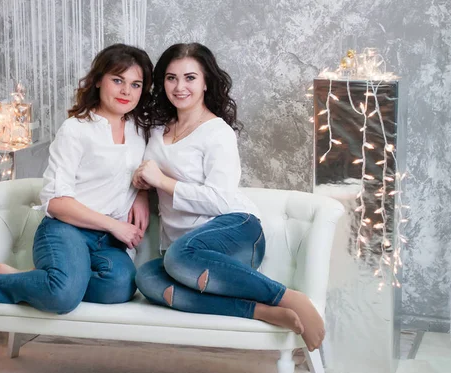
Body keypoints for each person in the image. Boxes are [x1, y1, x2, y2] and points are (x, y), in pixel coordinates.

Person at [0, 44, 153, 314]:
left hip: (108, 242)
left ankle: (30, 279)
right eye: (117, 80)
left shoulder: (140, 129)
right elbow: (56, 202)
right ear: (98, 80)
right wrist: (115, 226)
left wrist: (142, 194)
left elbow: (146, 167)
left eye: (136, 84)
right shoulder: (76, 129)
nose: (126, 92)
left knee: (121, 286)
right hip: (66, 229)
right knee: (62, 296)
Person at [133, 43, 324, 351]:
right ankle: (263, 312)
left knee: (178, 257)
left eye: (190, 78)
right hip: (183, 252)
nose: (179, 87)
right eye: (171, 78)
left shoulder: (217, 132)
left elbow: (220, 199)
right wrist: (142, 187)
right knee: (148, 278)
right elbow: (144, 174)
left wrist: (162, 182)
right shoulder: (156, 130)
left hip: (235, 231)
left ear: (206, 82)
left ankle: (288, 297)